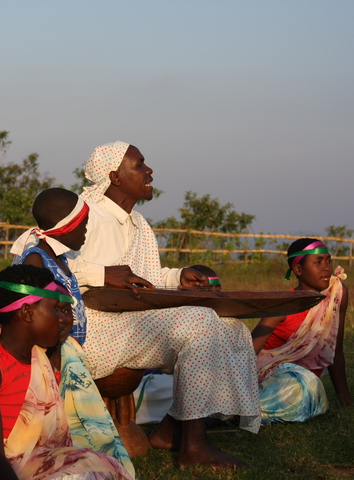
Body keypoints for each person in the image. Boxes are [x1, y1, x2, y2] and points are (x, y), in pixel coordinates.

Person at [67, 141, 260, 468]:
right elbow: (40, 261)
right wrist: (102, 274)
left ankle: (171, 430)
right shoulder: (84, 214)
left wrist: (179, 276)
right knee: (199, 322)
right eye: (140, 164)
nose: (149, 171)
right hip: (92, 329)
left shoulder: (139, 224)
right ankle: (194, 449)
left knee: (231, 327)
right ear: (115, 176)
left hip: (130, 322)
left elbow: (146, 278)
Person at [0, 264, 133, 480]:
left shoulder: (38, 358)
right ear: (28, 312)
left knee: (101, 465)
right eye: (55, 309)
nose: (61, 318)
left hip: (23, 458)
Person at [9, 187, 134, 476]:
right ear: (67, 227)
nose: (87, 231)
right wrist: (52, 355)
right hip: (46, 358)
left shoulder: (60, 259)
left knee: (68, 418)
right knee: (48, 420)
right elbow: (29, 314)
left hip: (65, 355)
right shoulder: (35, 260)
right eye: (84, 225)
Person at [251, 238, 353, 424]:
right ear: (298, 269)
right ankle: (238, 411)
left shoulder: (337, 294)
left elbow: (335, 350)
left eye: (328, 260)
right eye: (318, 262)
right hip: (270, 376)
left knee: (305, 385)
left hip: (304, 381)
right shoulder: (284, 305)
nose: (327, 267)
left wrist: (345, 401)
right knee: (300, 387)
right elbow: (248, 353)